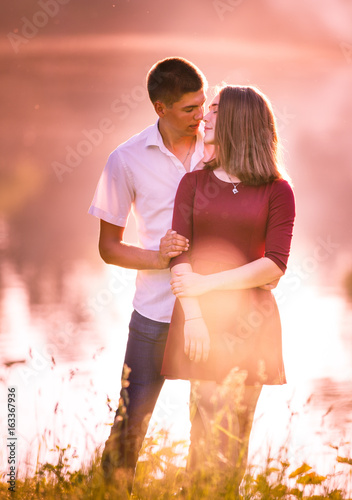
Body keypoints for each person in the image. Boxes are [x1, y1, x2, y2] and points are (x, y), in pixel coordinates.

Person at [161, 85, 296, 486]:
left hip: (251, 326)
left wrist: (210, 284)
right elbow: (179, 258)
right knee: (203, 431)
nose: (204, 116)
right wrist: (195, 319)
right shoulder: (193, 184)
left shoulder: (277, 190)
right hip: (200, 322)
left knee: (233, 439)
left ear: (239, 119)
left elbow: (273, 266)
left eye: (216, 109)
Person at [88, 57, 209, 489]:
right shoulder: (124, 159)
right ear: (160, 108)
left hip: (216, 312)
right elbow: (108, 248)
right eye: (189, 109)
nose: (201, 116)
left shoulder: (219, 147)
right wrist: (159, 259)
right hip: (154, 315)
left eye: (203, 104)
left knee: (211, 437)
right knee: (127, 431)